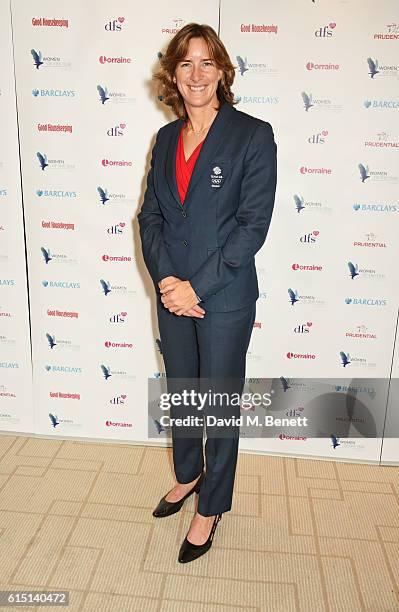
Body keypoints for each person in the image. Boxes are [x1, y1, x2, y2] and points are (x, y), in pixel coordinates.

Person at [138, 23, 277, 563]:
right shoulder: (167, 138)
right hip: (174, 293)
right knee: (183, 393)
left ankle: (211, 505)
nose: (196, 74)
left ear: (222, 71)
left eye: (207, 62)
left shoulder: (252, 134)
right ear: (174, 74)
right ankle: (188, 474)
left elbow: (252, 225)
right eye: (186, 63)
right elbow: (150, 217)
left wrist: (198, 285)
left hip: (222, 297)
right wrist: (169, 284)